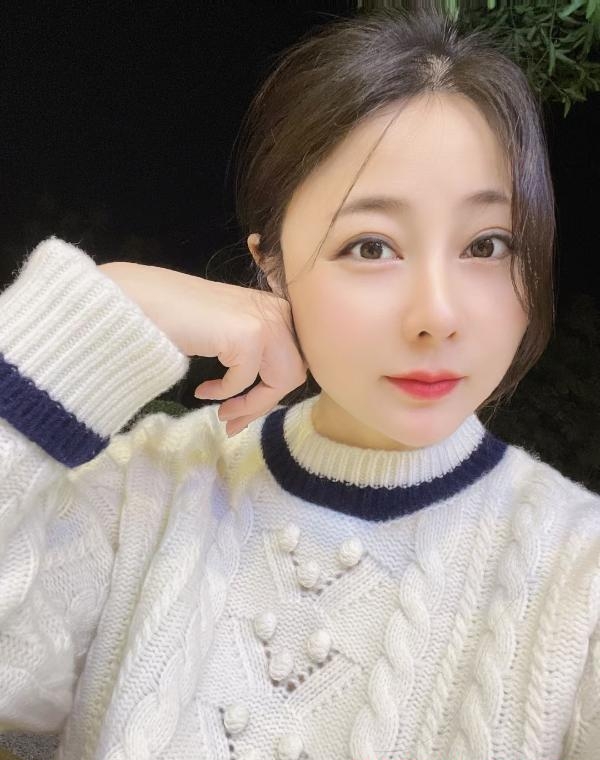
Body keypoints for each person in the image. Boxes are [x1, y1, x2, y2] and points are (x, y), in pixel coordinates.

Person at [0, 7, 598, 760]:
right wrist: (92, 315)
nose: (438, 316)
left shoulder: (578, 577)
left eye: (488, 244)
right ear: (272, 266)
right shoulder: (145, 495)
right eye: (371, 246)